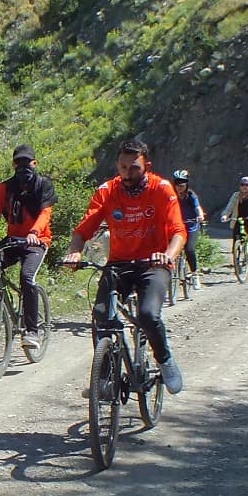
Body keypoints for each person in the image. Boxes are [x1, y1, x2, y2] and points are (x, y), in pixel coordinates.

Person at [62, 140, 187, 394]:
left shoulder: (162, 189)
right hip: (119, 264)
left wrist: (168, 255)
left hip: (153, 263)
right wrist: (74, 252)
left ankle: (165, 360)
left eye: (134, 168)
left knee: (148, 315)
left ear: (147, 166)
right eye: (122, 167)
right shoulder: (108, 191)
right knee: (101, 315)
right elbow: (83, 229)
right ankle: (106, 378)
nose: (127, 174)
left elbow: (178, 231)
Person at [0, 143, 58, 350]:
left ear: (35, 163)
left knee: (27, 277)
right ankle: (6, 306)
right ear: (13, 165)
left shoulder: (43, 185)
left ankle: (32, 331)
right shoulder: (5, 188)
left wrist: (34, 232)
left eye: (28, 163)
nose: (23, 167)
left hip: (37, 241)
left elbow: (45, 214)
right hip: (14, 239)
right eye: (19, 163)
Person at [171, 170, 207, 289]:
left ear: (187, 184)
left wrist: (200, 216)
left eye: (182, 183)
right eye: (177, 183)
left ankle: (194, 274)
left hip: (191, 227)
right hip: (177, 227)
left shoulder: (191, 196)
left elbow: (197, 208)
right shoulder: (172, 196)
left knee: (189, 249)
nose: (179, 186)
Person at [219, 176, 248, 252]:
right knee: (236, 234)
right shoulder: (236, 195)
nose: (244, 186)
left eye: (247, 184)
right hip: (239, 218)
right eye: (242, 184)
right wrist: (225, 215)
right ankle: (237, 257)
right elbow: (229, 207)